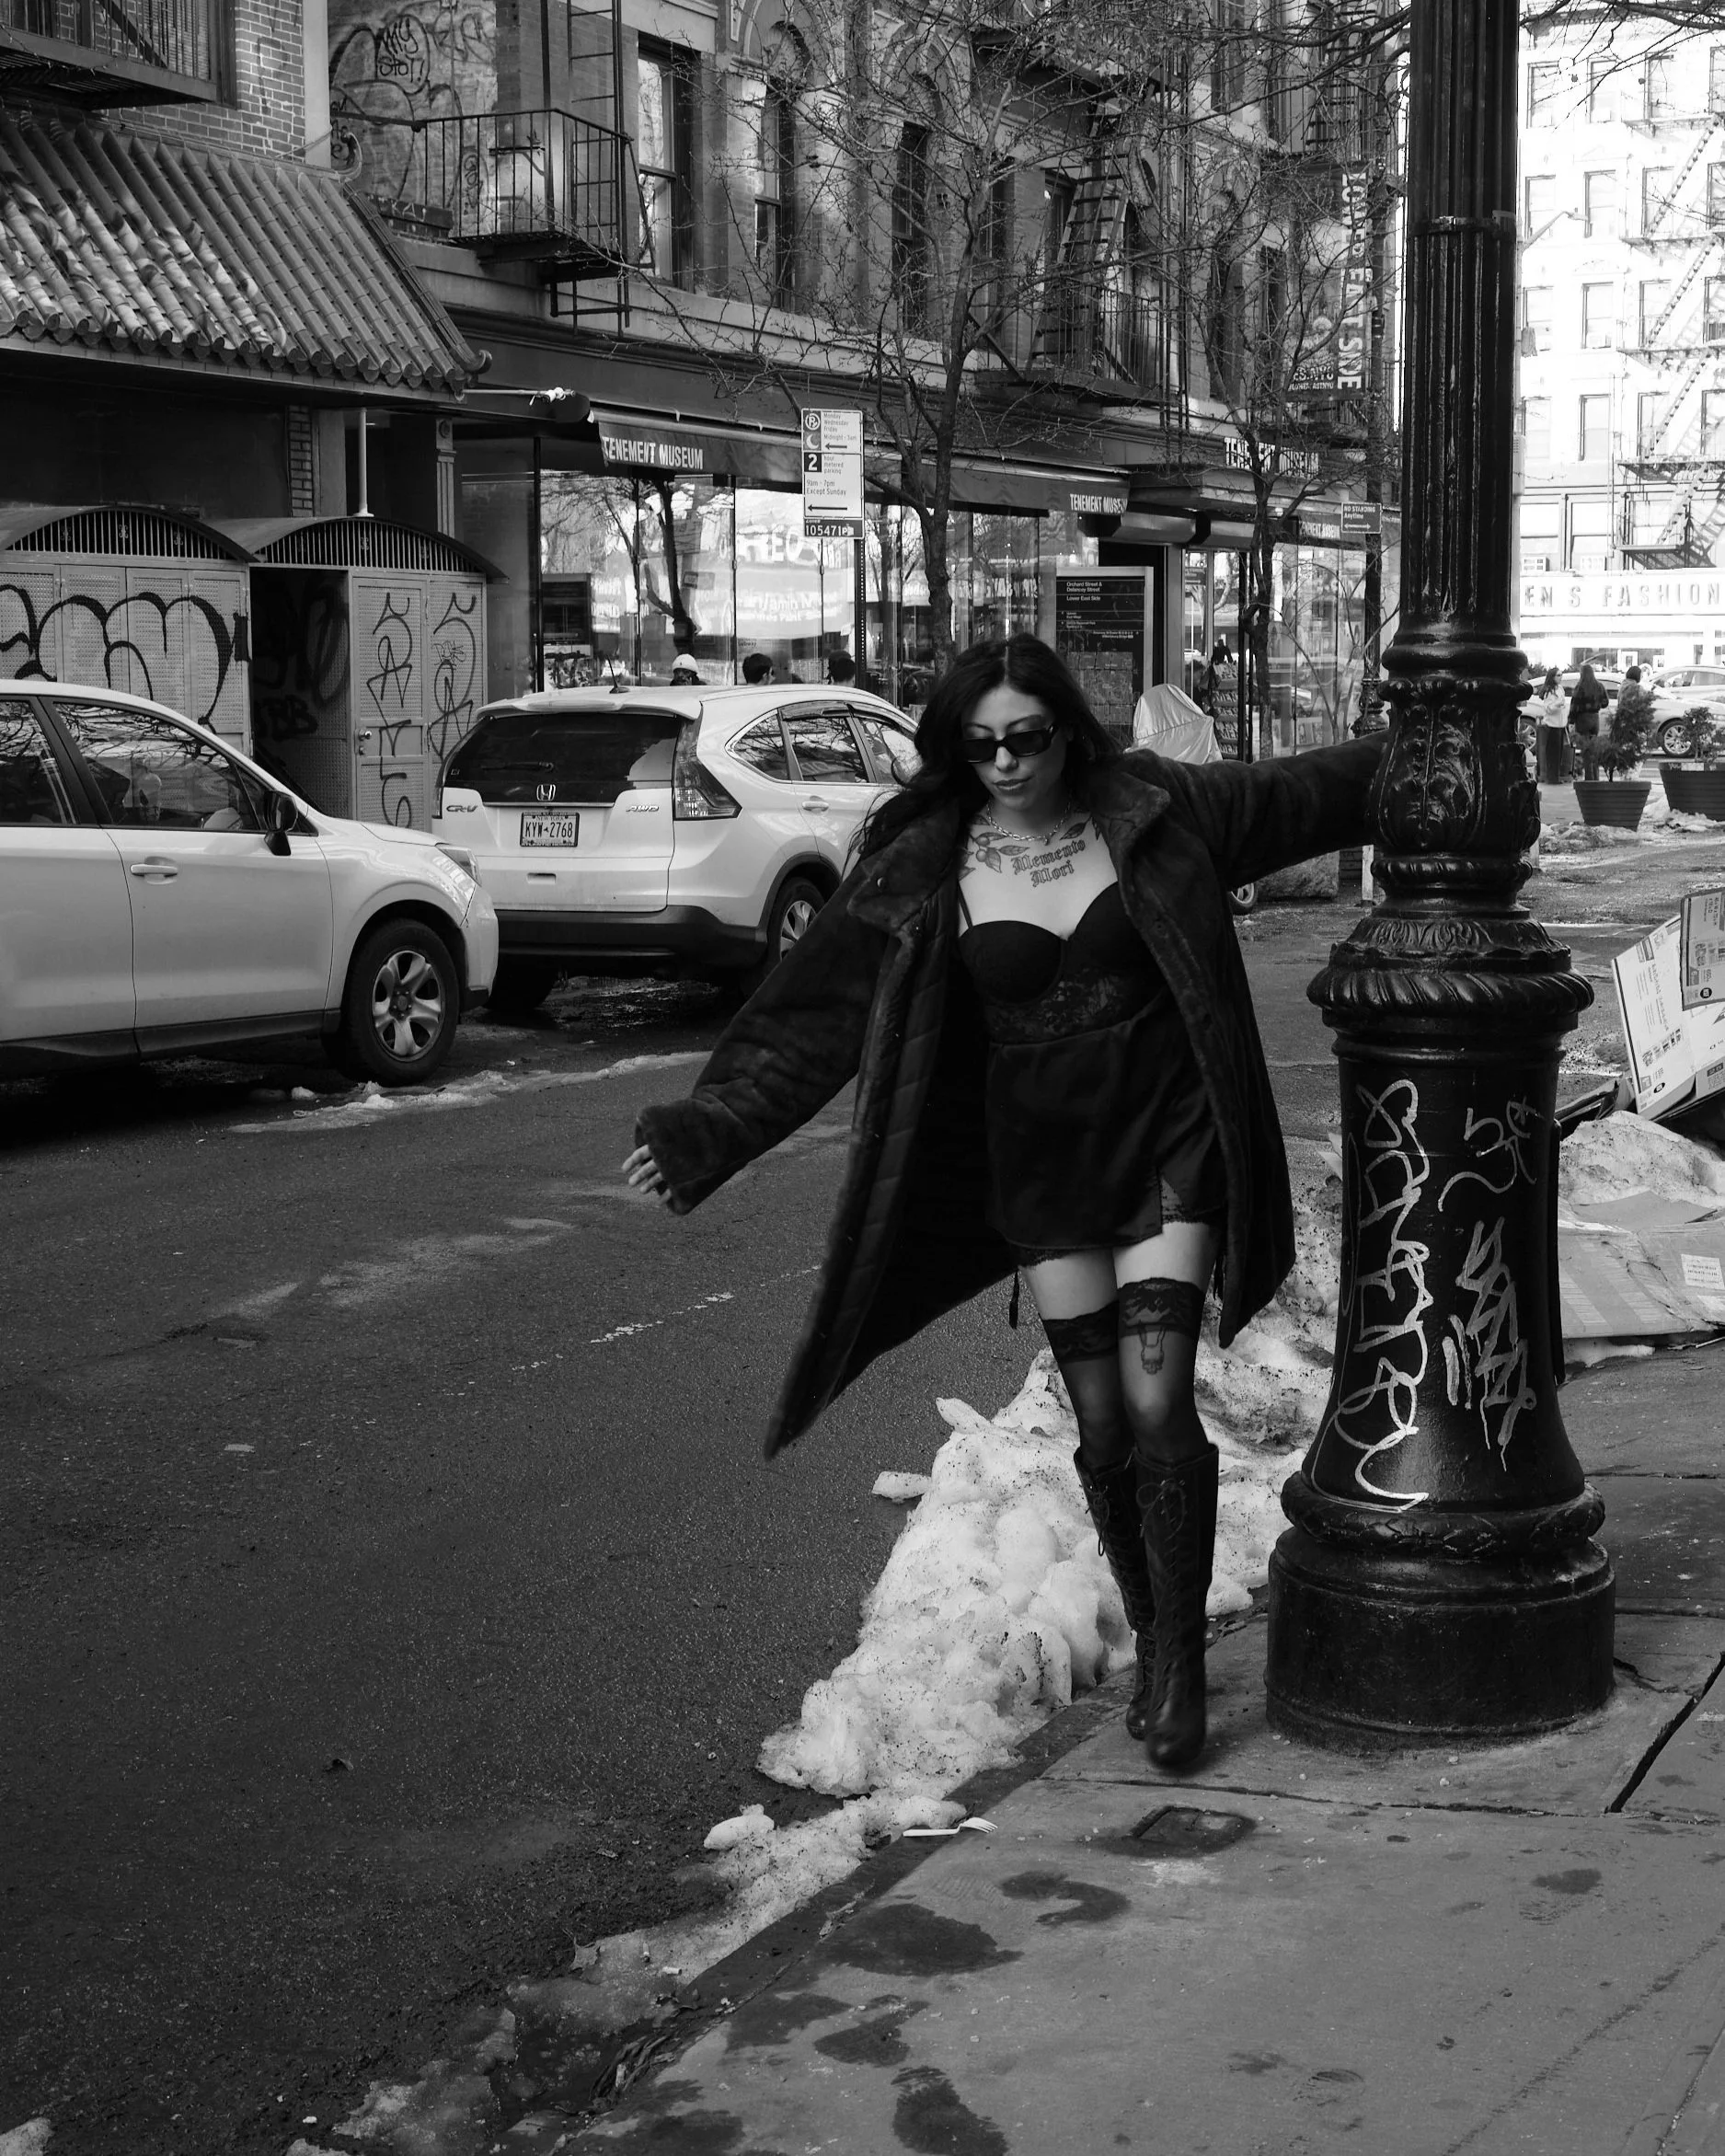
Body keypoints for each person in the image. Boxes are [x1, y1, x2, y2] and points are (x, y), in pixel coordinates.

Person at [624, 634, 1383, 1773]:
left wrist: (1432, 735)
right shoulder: (927, 863)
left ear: (1068, 732)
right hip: (1039, 1161)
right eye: (980, 747)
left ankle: (1177, 1663)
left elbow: (1306, 793)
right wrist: (708, 1134)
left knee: (1159, 1386)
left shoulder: (1159, 811)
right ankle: (1156, 1614)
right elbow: (810, 1016)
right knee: (1104, 1422)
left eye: (1026, 739)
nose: (1006, 763)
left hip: (1168, 1136)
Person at [1569, 662, 1608, 781]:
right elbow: (1605, 702)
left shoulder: (1580, 687)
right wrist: (1597, 705)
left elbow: (1574, 706)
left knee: (1586, 750)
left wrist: (1571, 720)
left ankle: (1589, 778)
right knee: (1594, 749)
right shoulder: (1599, 686)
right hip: (1595, 718)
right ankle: (1596, 777)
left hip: (1582, 719)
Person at [1536, 666, 1570, 783]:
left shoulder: (1560, 688)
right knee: (1552, 753)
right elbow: (1548, 708)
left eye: (1561, 675)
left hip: (1561, 725)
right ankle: (1552, 777)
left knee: (1559, 753)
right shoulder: (1549, 691)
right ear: (1552, 677)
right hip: (1551, 725)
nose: (1561, 678)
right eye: (1558, 675)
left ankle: (1555, 776)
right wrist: (1558, 704)